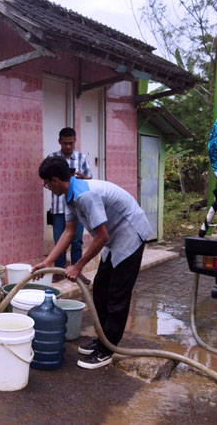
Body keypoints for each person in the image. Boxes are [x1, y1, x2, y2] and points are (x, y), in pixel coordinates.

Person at [33, 156, 151, 370]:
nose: (47, 187)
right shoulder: (69, 196)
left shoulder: (84, 195)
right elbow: (69, 232)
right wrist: (48, 261)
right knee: (100, 289)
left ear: (55, 180)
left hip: (130, 232)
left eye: (46, 183)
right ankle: (103, 339)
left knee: (117, 294)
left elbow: (101, 237)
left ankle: (108, 350)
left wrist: (77, 266)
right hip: (115, 235)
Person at [46, 127, 92, 281]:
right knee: (59, 240)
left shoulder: (82, 158)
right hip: (58, 207)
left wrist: (82, 177)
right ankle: (58, 271)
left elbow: (90, 180)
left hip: (76, 206)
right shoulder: (52, 158)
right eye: (65, 143)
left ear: (75, 142)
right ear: (59, 141)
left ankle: (76, 270)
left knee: (77, 241)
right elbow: (46, 180)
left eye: (70, 143)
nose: (67, 146)